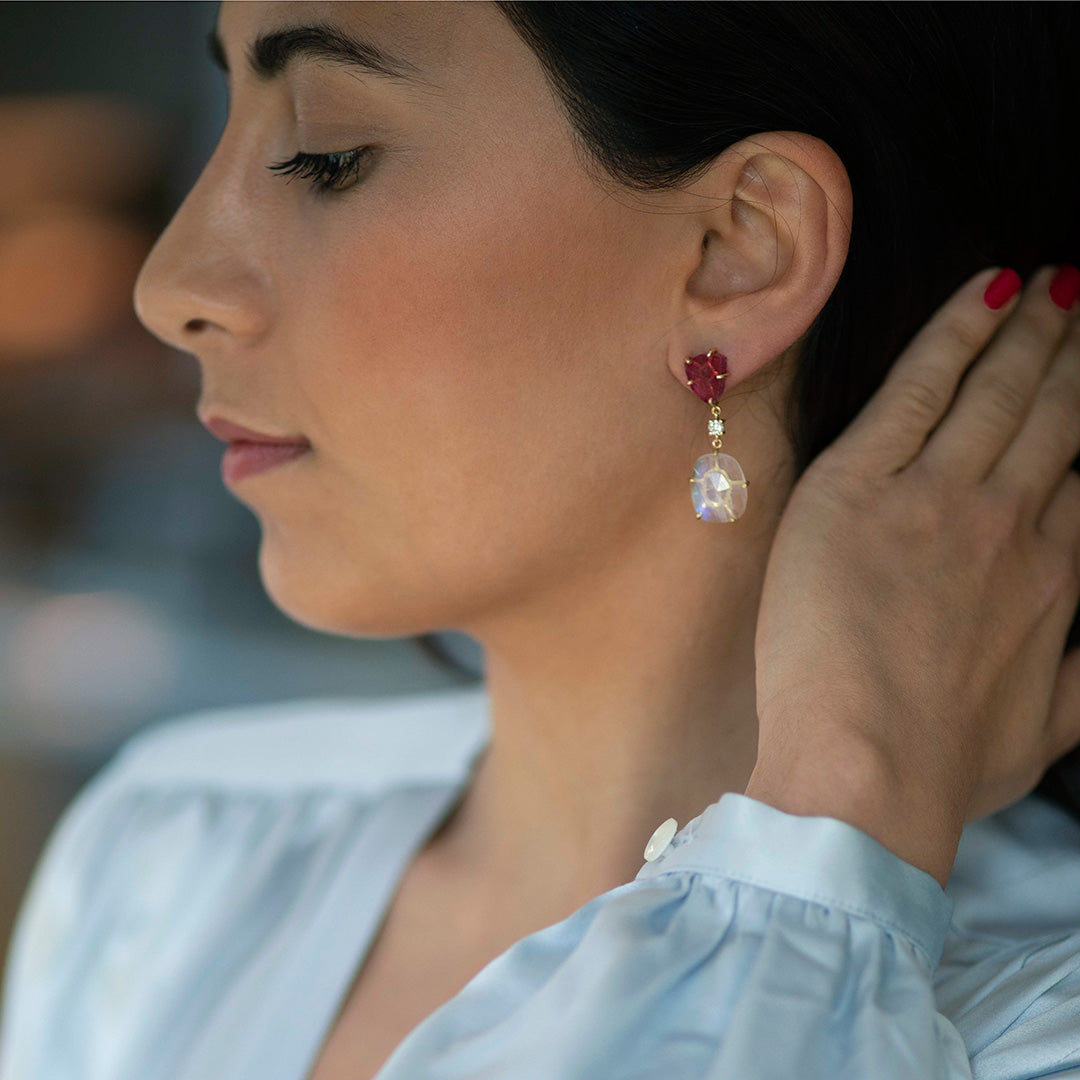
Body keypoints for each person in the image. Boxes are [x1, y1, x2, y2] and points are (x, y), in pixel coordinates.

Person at [2, 3, 1080, 1078]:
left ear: (743, 248)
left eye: (323, 156)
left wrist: (837, 814)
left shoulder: (1036, 1012)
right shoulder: (173, 858)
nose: (167, 287)